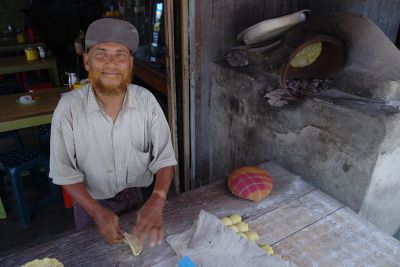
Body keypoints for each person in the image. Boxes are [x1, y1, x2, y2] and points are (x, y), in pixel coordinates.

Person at [49, 18, 177, 248]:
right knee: (96, 256)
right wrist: (97, 211)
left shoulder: (146, 102)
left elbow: (165, 158)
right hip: (90, 204)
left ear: (130, 63)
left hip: (136, 199)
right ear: (87, 61)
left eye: (120, 54)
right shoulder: (68, 109)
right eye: (101, 53)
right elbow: (64, 173)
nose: (111, 62)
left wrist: (157, 198)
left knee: (140, 256)